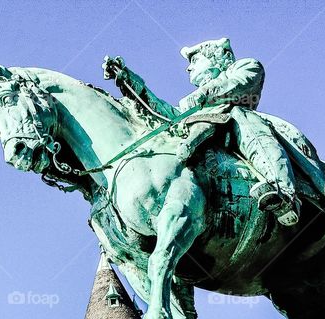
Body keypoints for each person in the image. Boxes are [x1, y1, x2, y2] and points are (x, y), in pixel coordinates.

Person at [104, 38, 303, 225]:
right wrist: (128, 81)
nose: (189, 67)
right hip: (200, 133)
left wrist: (203, 95)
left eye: (195, 60)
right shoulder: (195, 105)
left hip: (233, 125)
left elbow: (243, 83)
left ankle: (283, 192)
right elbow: (166, 115)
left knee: (246, 122)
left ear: (215, 59)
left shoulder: (247, 66)